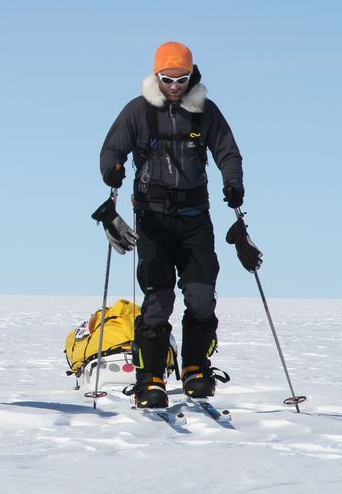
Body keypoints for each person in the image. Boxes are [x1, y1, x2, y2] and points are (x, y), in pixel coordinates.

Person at [99, 41, 244, 408]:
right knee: (158, 299)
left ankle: (196, 367)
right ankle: (151, 379)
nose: (175, 85)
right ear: (156, 76)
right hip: (153, 219)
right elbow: (111, 150)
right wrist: (112, 170)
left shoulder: (205, 112)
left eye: (181, 78)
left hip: (196, 219)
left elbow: (227, 150)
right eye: (167, 78)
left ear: (192, 74)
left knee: (199, 297)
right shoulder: (138, 111)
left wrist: (233, 182)